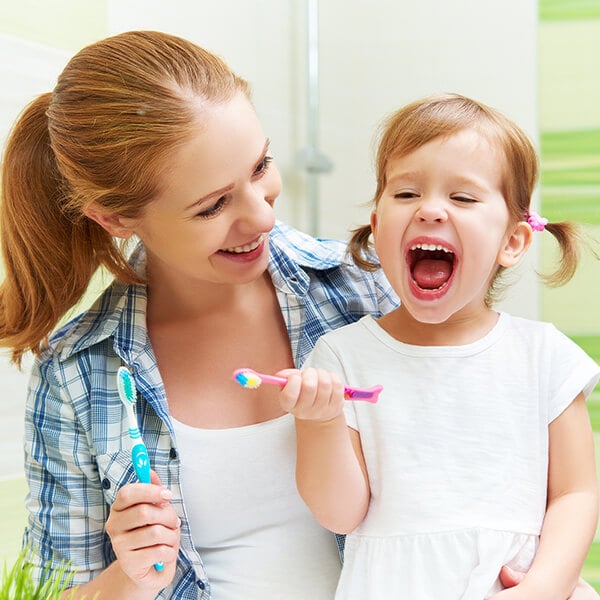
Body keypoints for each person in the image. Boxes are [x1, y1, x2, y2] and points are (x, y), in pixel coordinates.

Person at [0, 30, 399, 599]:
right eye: (212, 205)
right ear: (114, 217)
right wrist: (130, 577)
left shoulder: (365, 291)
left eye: (261, 167)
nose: (260, 217)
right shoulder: (78, 372)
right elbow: (45, 593)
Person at [276, 94, 600, 599]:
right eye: (406, 193)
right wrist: (318, 421)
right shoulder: (342, 357)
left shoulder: (545, 357)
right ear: (379, 228)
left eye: (464, 198)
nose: (429, 210)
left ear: (512, 241)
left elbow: (576, 493)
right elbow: (340, 514)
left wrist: (545, 588)